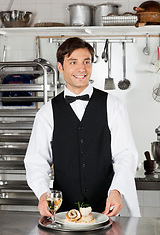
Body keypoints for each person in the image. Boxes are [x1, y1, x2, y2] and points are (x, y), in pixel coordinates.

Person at [24, 37, 140, 217]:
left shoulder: (113, 105)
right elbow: (36, 162)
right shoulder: (47, 113)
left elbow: (125, 155)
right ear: (61, 67)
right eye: (73, 62)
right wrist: (42, 194)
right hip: (63, 213)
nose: (82, 69)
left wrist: (116, 190)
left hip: (107, 209)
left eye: (87, 62)